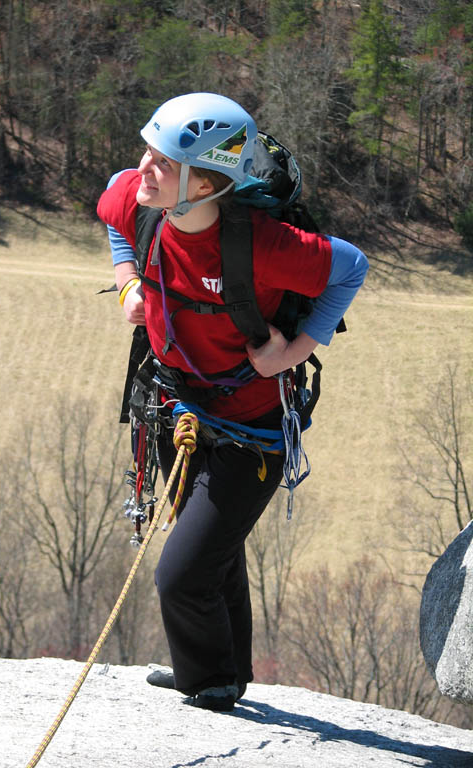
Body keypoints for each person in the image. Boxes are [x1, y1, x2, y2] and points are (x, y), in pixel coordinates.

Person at [97, 92, 368, 712]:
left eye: (164, 162)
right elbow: (113, 205)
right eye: (148, 151)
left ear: (207, 182)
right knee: (212, 553)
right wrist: (125, 283)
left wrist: (294, 350)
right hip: (174, 410)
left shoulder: (264, 247)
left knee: (181, 574)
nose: (144, 169)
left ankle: (207, 687)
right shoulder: (141, 205)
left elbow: (350, 268)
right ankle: (220, 674)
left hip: (253, 429)